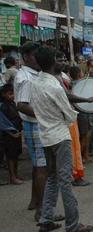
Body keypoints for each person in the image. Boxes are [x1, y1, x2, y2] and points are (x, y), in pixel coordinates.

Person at [30, 46, 93, 232]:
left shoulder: (37, 82)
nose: (62, 62)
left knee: (53, 178)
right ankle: (73, 225)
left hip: (46, 136)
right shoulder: (54, 86)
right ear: (52, 62)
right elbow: (69, 114)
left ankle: (46, 219)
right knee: (65, 180)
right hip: (60, 136)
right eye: (59, 60)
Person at [14, 42, 51, 220]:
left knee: (38, 166)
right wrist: (44, 114)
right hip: (35, 124)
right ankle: (42, 211)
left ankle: (34, 201)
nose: (39, 59)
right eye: (36, 55)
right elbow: (21, 105)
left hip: (36, 123)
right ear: (27, 57)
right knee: (43, 167)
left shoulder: (33, 73)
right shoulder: (26, 78)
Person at [54, 52, 93, 187]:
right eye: (59, 60)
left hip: (69, 115)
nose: (63, 62)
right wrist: (86, 100)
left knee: (75, 146)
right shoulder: (53, 78)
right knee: (71, 148)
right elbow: (67, 96)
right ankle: (73, 176)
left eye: (64, 59)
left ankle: (76, 174)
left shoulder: (61, 76)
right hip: (64, 117)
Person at [0, 84, 24, 185]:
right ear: (3, 94)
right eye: (10, 94)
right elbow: (3, 123)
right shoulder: (3, 107)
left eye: (13, 93)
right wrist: (12, 134)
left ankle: (16, 174)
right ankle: (12, 177)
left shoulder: (13, 104)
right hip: (9, 136)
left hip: (17, 133)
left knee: (16, 155)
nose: (12, 96)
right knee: (10, 156)